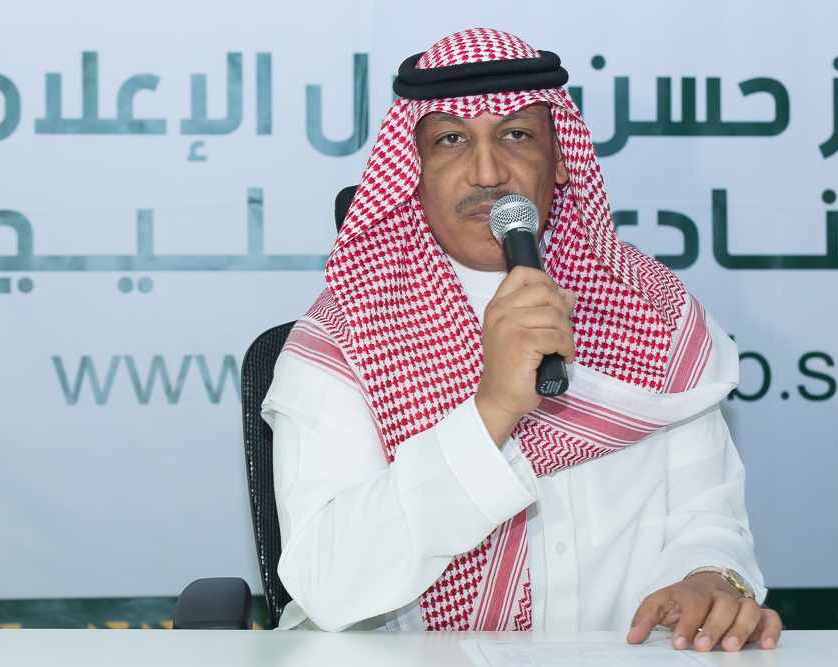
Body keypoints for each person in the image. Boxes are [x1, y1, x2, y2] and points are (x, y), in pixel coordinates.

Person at [261, 28, 781, 651]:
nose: (488, 173)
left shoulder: (654, 312)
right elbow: (327, 585)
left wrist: (710, 578)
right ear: (413, 170)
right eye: (451, 139)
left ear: (561, 159)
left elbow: (707, 514)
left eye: (515, 135)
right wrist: (492, 409)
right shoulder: (345, 337)